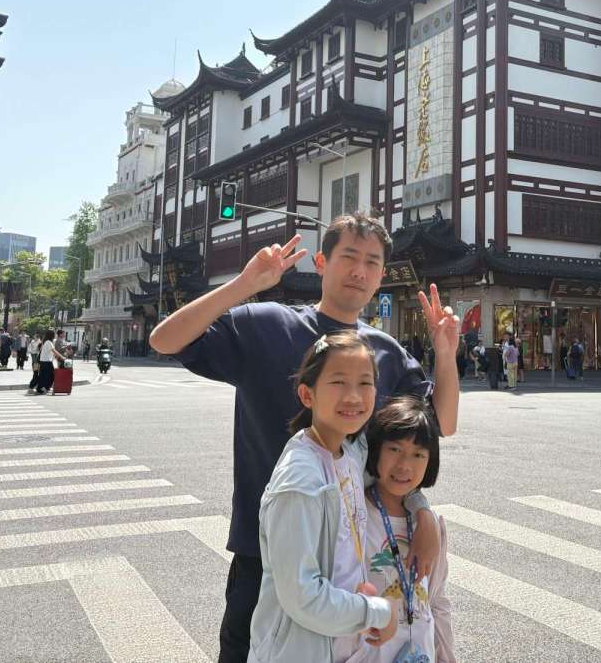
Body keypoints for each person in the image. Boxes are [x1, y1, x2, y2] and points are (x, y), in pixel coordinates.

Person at [148, 214, 460, 663]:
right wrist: (244, 284)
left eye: (372, 262)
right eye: (348, 256)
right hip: (265, 556)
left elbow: (436, 426)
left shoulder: (387, 354)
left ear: (381, 277)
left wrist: (445, 354)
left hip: (353, 562)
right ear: (321, 262)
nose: (359, 271)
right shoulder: (268, 325)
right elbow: (165, 340)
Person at [250, 332, 403, 661]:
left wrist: (422, 510)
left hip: (342, 646)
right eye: (338, 382)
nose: (353, 396)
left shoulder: (348, 452)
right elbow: (302, 596)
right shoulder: (300, 481)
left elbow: (400, 472)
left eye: (365, 383)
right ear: (307, 394)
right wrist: (377, 612)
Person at [360, 394, 456, 663]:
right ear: (376, 449)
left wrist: (446, 656)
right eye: (394, 449)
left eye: (418, 455)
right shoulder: (357, 515)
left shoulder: (429, 525)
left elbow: (436, 601)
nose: (404, 465)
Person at [32, 329, 63, 395]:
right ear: (51, 335)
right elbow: (54, 351)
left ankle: (41, 389)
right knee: (52, 376)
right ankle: (45, 388)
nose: (55, 335)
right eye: (54, 334)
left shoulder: (46, 342)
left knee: (43, 376)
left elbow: (50, 352)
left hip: (44, 361)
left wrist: (56, 356)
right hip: (47, 362)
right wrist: (62, 357)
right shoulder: (48, 342)